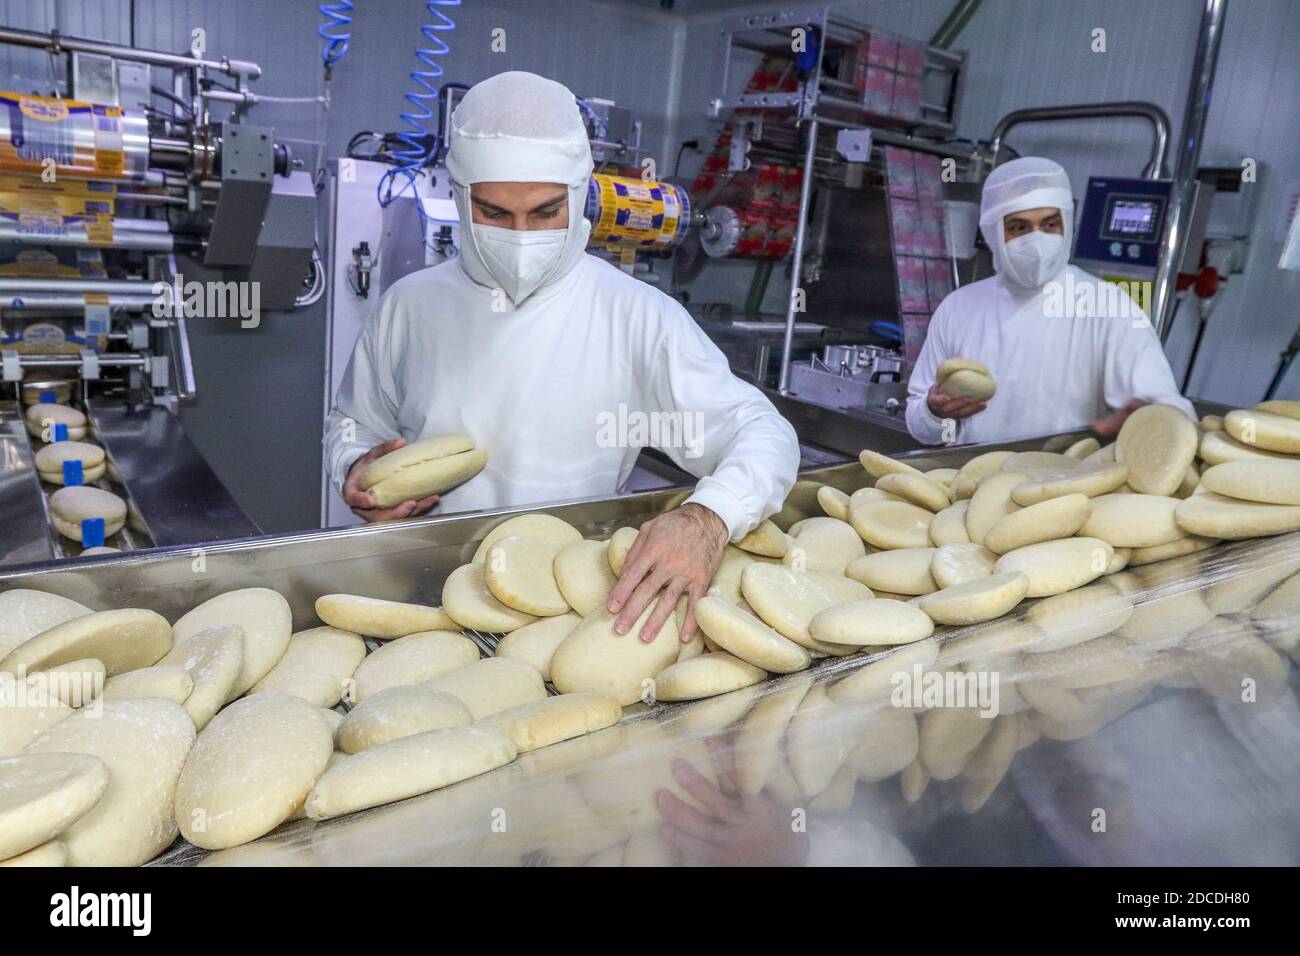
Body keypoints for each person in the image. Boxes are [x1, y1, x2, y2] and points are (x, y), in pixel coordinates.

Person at [323, 71, 800, 644]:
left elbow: (761, 433)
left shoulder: (636, 315)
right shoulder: (410, 305)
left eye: (545, 212)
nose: (521, 236)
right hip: (419, 592)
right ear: (458, 195)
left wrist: (708, 519)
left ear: (579, 198)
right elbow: (353, 423)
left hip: (572, 607)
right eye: (495, 214)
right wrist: (353, 469)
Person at [905, 156, 1195, 445]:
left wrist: (1147, 418)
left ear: (1066, 224)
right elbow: (920, 425)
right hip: (971, 480)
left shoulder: (1110, 307)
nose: (1037, 241)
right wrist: (934, 412)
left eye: (1049, 224)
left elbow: (1175, 413)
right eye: (1019, 227)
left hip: (1066, 484)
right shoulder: (958, 308)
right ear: (993, 233)